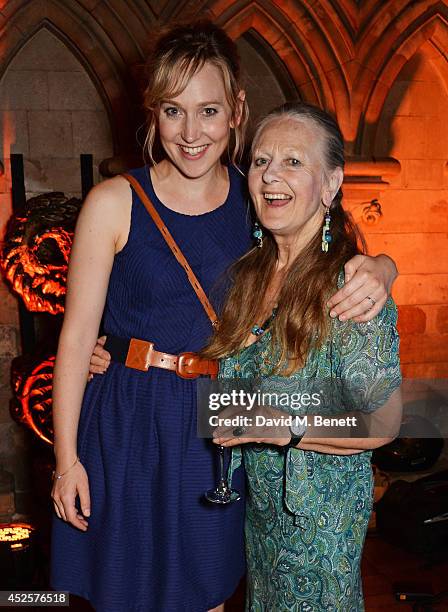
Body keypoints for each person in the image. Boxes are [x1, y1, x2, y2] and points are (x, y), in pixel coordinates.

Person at [51, 20, 398, 612]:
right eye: (172, 111)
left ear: (237, 111)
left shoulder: (258, 200)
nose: (191, 133)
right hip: (133, 419)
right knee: (126, 592)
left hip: (223, 419)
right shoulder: (113, 201)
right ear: (153, 114)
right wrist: (65, 461)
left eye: (208, 111)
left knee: (211, 592)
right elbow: (77, 336)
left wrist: (385, 266)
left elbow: (330, 251)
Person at [204, 102, 402, 611]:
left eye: (294, 162)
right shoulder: (250, 277)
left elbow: (384, 418)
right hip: (262, 520)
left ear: (331, 184)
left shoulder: (351, 284)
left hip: (322, 531)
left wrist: (285, 425)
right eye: (262, 160)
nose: (272, 175)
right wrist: (112, 353)